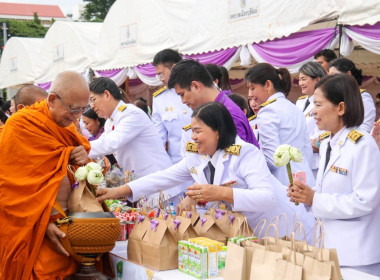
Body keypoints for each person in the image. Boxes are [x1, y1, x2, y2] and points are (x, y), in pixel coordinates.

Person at [96, 102, 315, 237]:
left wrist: (220, 193)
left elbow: (267, 198)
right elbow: (163, 177)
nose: (192, 137)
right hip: (240, 232)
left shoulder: (245, 153)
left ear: (218, 131)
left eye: (198, 131)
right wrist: (120, 191)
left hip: (278, 228)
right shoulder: (195, 155)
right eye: (192, 131)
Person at [0, 71, 93, 279]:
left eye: (82, 109)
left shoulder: (66, 127)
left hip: (70, 224)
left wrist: (80, 156)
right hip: (34, 226)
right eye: (73, 109)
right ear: (52, 99)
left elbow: (80, 168)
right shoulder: (19, 126)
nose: (77, 117)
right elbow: (11, 187)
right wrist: (45, 220)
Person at [288, 74, 380, 276]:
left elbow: (366, 201)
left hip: (356, 254)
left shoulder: (362, 145)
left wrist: (316, 199)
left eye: (318, 105)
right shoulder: (328, 143)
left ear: (340, 108)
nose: (313, 112)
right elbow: (329, 190)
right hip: (330, 246)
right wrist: (307, 196)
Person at [87, 77, 182, 202]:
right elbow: (102, 144)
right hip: (142, 187)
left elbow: (110, 143)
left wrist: (79, 149)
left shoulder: (131, 114)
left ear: (106, 94)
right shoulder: (110, 122)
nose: (92, 106)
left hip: (160, 188)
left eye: (93, 100)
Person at [245, 63, 315, 187]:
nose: (250, 94)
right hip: (304, 178)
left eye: (252, 88)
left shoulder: (267, 111)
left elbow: (271, 160)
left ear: (268, 85)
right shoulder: (294, 108)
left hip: (283, 183)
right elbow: (307, 150)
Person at [169, 59, 259, 149]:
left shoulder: (228, 115)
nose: (183, 101)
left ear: (196, 86)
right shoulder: (216, 110)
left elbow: (235, 160)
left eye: (182, 94)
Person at [152, 49, 192, 164]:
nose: (160, 79)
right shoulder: (159, 99)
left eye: (161, 74)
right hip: (176, 164)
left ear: (174, 68)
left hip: (203, 162)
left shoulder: (196, 88)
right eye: (158, 75)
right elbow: (159, 138)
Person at [328, 58, 376, 133]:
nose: (330, 80)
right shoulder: (335, 98)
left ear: (348, 74)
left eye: (334, 75)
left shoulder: (362, 97)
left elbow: (365, 127)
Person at [296, 62, 326, 176]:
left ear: (317, 79)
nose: (300, 83)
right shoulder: (300, 102)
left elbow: (324, 130)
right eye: (299, 79)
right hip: (300, 158)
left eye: (304, 79)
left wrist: (314, 142)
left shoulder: (325, 100)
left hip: (316, 160)